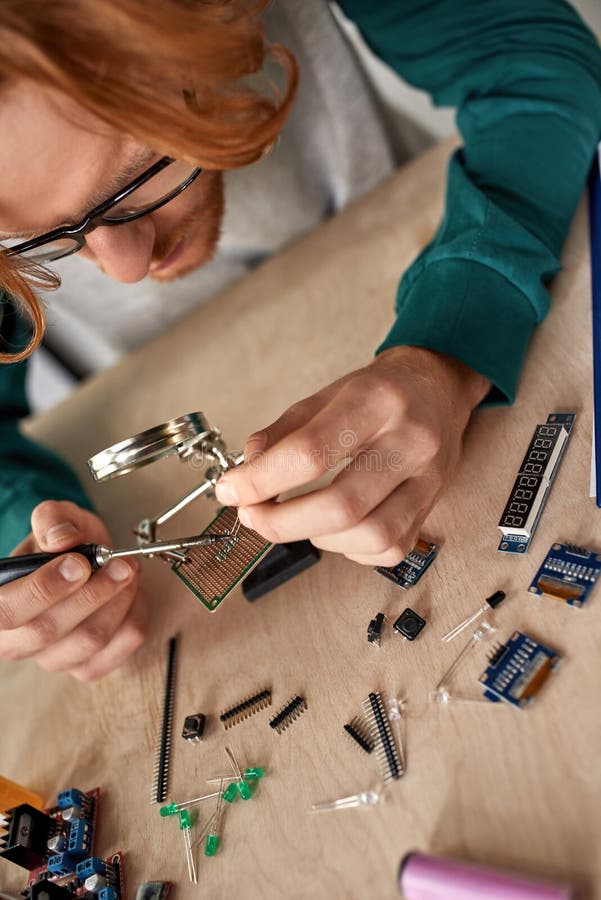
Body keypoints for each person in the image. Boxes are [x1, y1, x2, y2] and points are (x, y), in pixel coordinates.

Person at [0, 0, 599, 680]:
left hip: (410, 228)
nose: (128, 268)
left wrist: (456, 331)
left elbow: (530, 63)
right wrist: (28, 539)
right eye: (35, 241)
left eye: (138, 174)